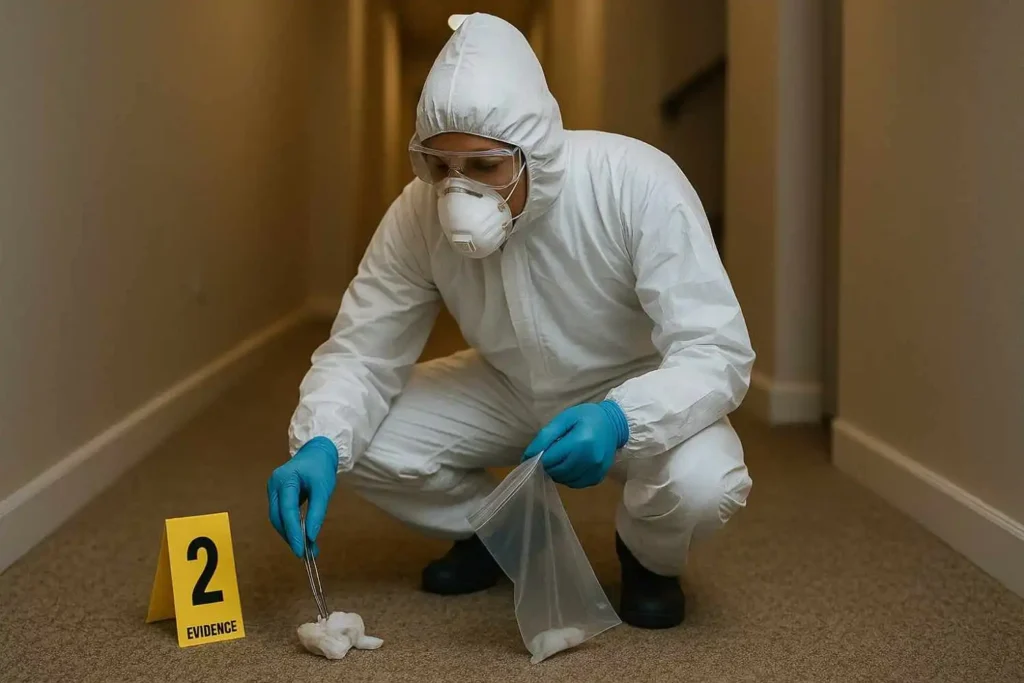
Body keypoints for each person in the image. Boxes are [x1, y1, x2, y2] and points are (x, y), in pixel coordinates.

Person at [267, 13, 754, 630]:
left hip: (633, 386)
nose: (456, 193)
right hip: (508, 383)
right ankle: (505, 535)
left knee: (705, 482)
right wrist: (318, 441)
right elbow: (363, 351)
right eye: (441, 167)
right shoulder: (416, 213)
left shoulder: (636, 184)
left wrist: (620, 418)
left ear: (535, 150)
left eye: (485, 167)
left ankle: (648, 557)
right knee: (349, 443)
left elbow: (717, 350)